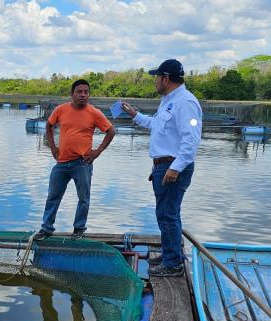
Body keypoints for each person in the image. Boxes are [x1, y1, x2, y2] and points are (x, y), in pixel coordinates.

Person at [121, 59, 202, 276]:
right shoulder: (169, 101)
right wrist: (134, 115)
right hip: (164, 166)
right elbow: (156, 125)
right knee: (165, 214)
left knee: (168, 215)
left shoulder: (185, 102)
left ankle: (173, 264)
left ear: (166, 79)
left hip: (172, 167)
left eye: (157, 77)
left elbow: (191, 140)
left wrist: (175, 168)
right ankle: (169, 256)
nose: (155, 81)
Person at [33, 79, 116, 241]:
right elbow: (49, 125)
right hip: (62, 163)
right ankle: (46, 229)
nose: (83, 95)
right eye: (79, 92)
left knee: (83, 198)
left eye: (86, 92)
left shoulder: (94, 113)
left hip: (82, 163)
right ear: (72, 94)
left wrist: (97, 151)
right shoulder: (61, 110)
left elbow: (111, 131)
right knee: (53, 196)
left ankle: (79, 228)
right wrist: (53, 147)